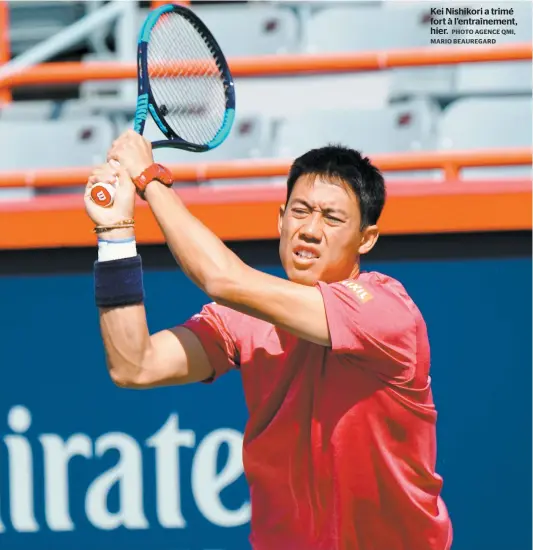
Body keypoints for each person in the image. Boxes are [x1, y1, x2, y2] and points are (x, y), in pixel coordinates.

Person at [84, 130, 453, 550]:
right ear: (280, 219)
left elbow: (221, 278)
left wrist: (149, 178)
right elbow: (135, 364)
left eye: (332, 218)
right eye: (300, 211)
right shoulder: (242, 319)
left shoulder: (384, 309)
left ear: (366, 238)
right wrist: (115, 233)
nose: (310, 230)